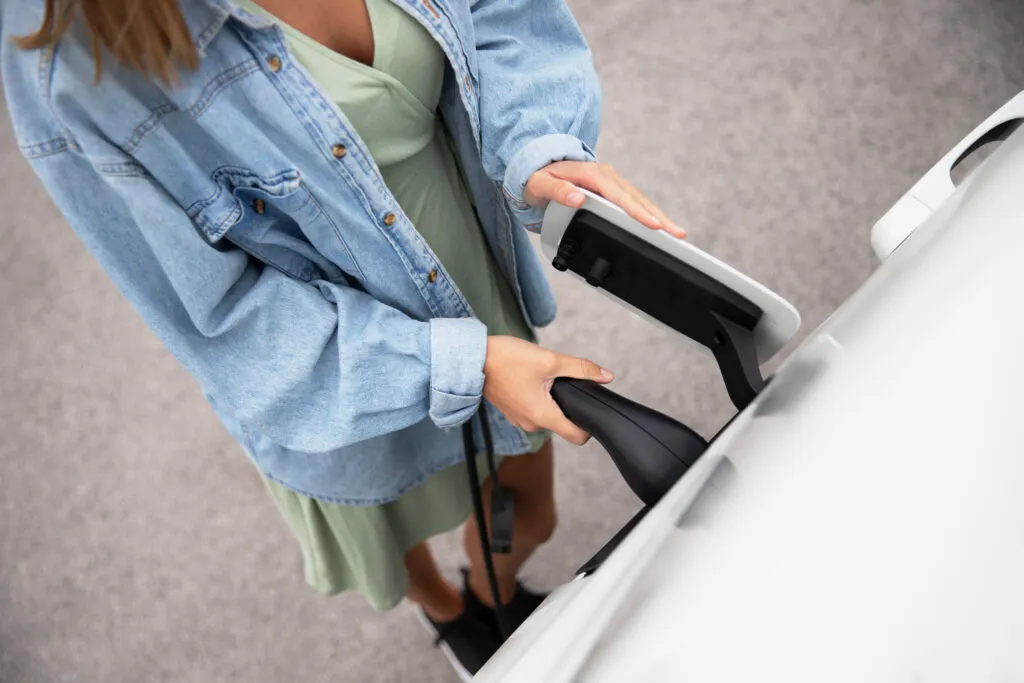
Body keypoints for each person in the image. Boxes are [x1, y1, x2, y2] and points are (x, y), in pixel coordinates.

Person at [1, 0, 681, 678]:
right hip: (329, 375)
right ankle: (447, 613)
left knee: (525, 510)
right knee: (389, 535)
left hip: (470, 288)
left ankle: (491, 591)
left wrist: (535, 140)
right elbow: (225, 317)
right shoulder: (65, 58)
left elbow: (502, 14)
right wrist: (456, 364)